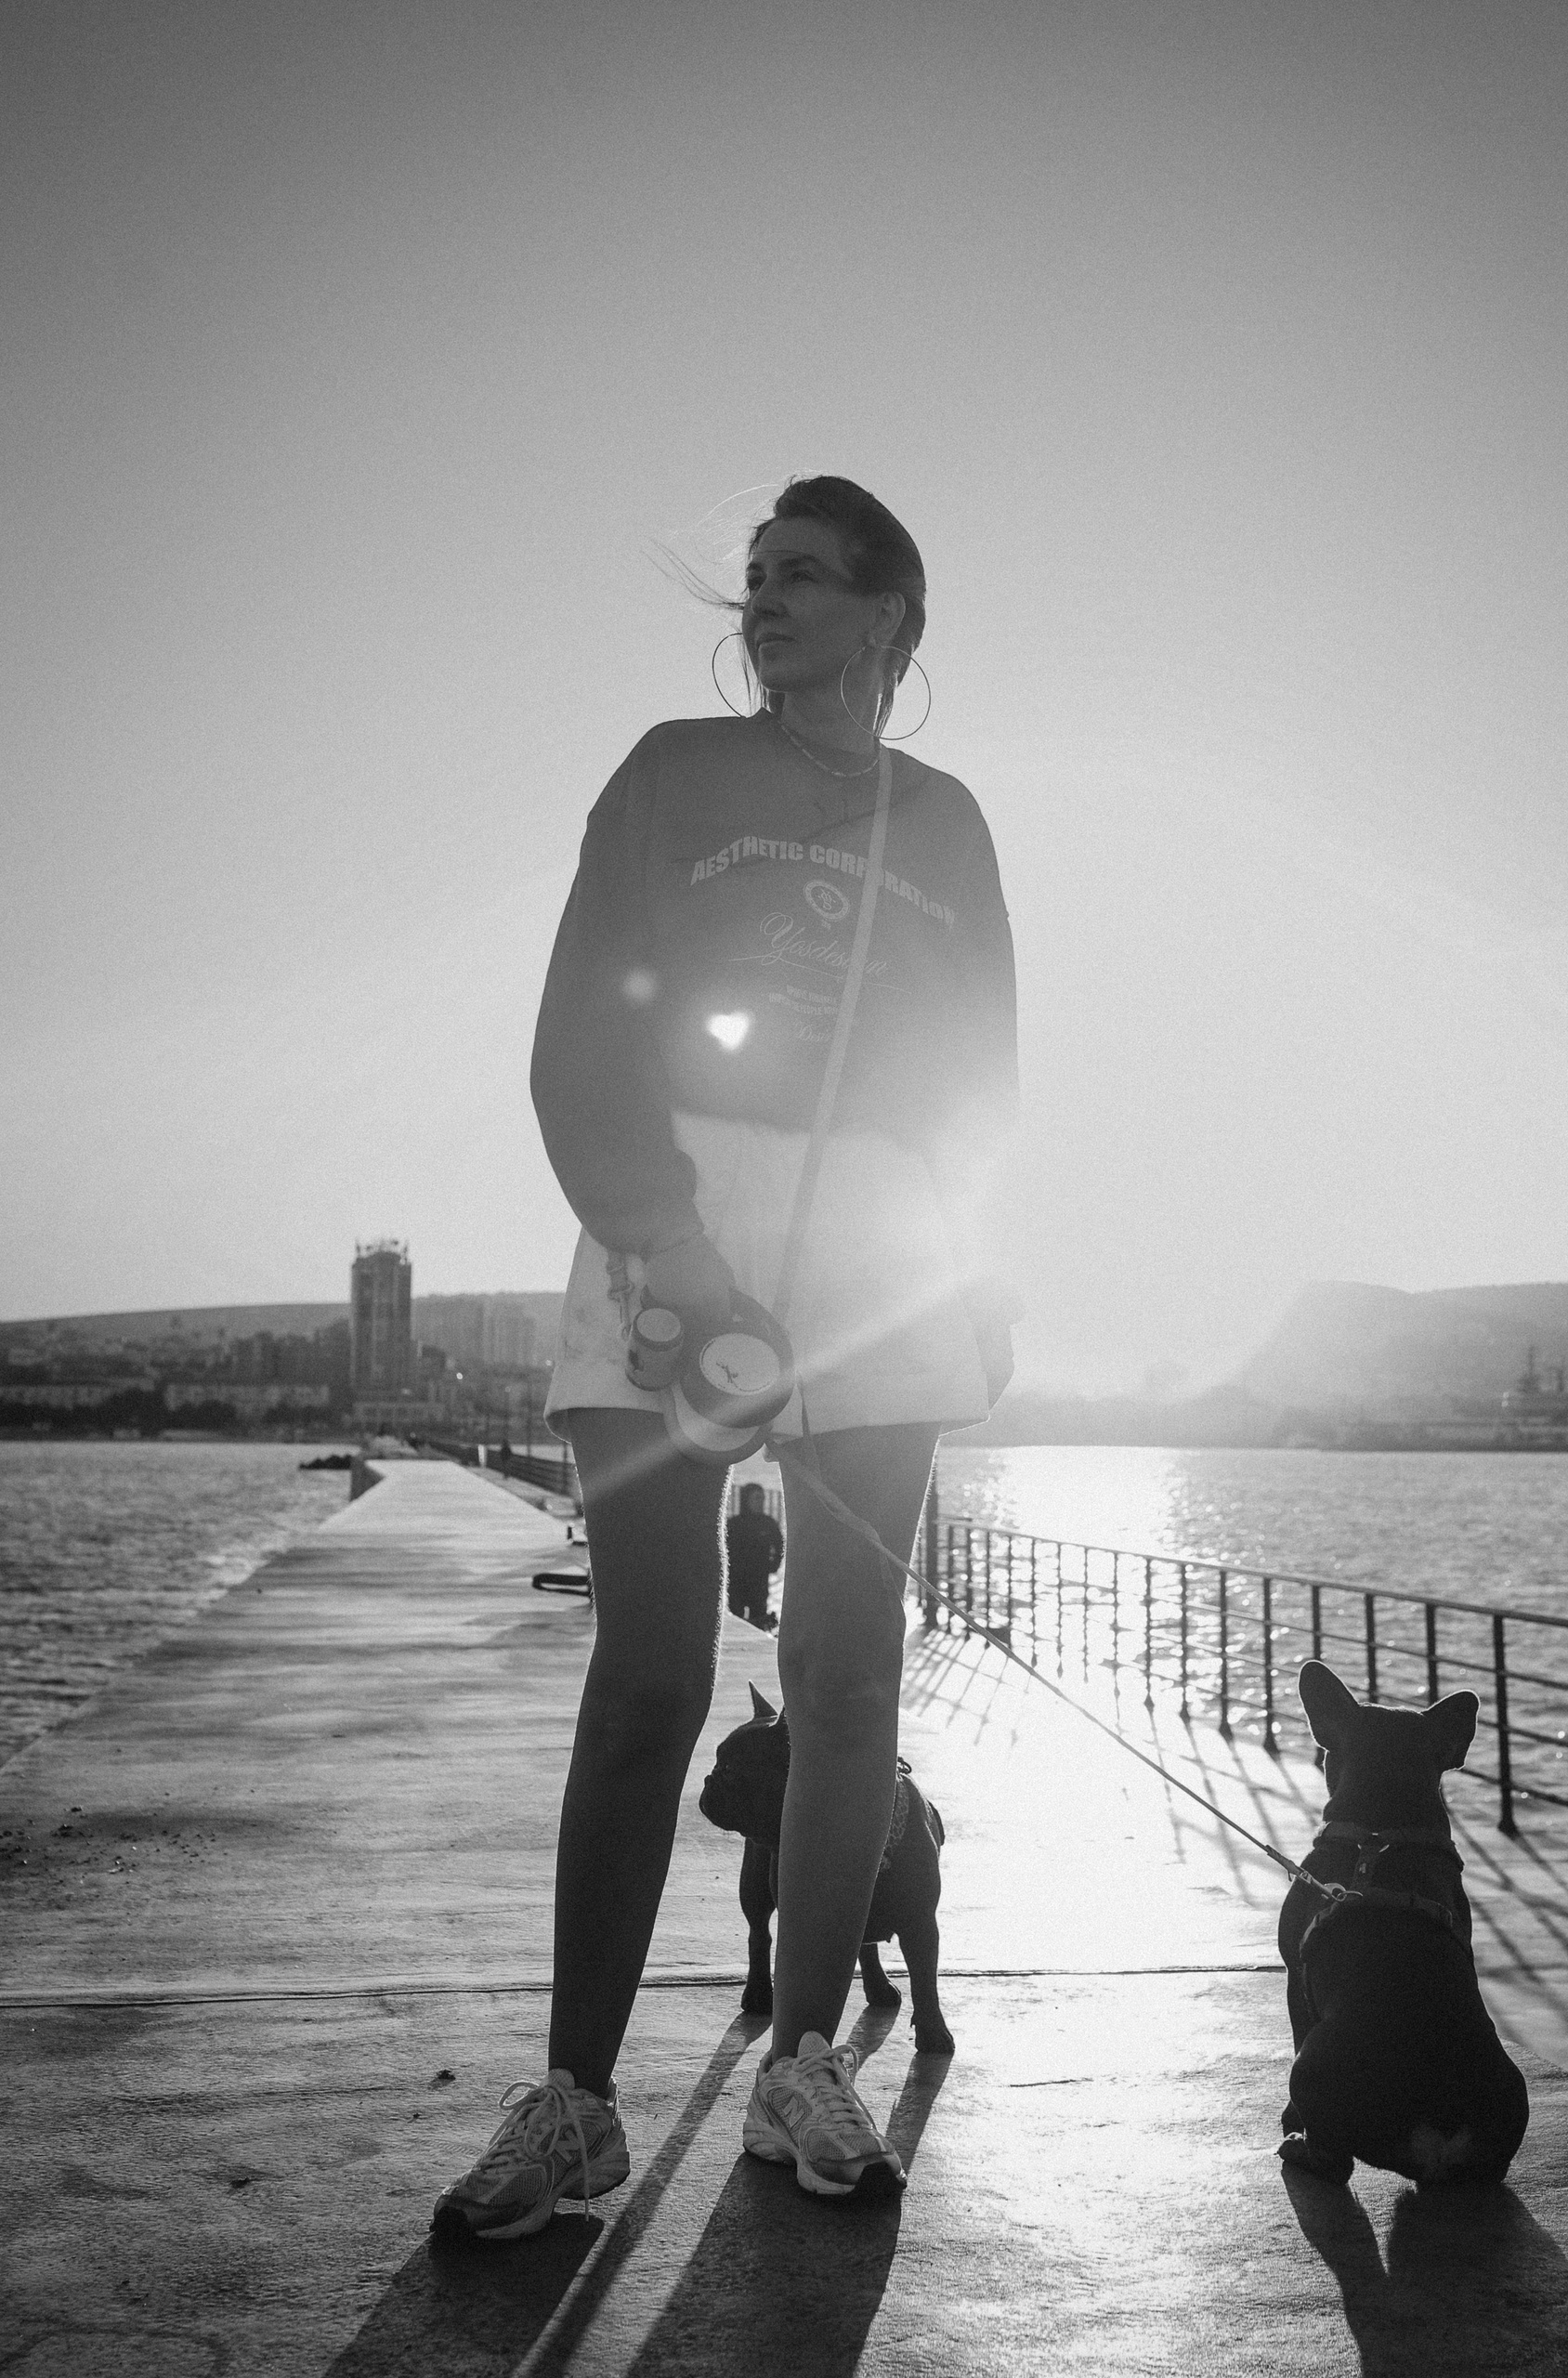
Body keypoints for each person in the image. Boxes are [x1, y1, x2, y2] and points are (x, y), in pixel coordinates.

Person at [433, 474, 1018, 2238]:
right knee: (648, 1675)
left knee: (846, 1676)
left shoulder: (948, 822)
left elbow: (982, 1070)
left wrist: (978, 1275)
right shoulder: (670, 775)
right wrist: (670, 1246)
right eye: (757, 575)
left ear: (890, 618)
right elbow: (582, 1029)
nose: (766, 599)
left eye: (808, 576)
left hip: (885, 1245)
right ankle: (576, 2105)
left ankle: (802, 2066)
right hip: (673, 1203)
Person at [725, 1483, 784, 1629]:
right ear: (746, 1499)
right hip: (737, 1580)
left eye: (762, 1498)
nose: (760, 1502)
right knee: (736, 1619)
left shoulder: (768, 1523)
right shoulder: (734, 1524)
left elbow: (779, 1545)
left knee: (759, 1618)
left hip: (759, 1579)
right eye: (756, 1498)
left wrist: (774, 1564)